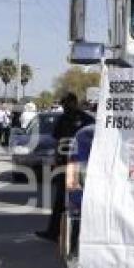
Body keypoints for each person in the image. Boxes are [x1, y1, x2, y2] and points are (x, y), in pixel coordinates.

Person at [36, 92, 95, 241]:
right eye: (63, 105)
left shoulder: (87, 120)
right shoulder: (64, 119)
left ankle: (78, 234)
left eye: (67, 104)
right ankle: (54, 232)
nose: (65, 107)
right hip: (66, 164)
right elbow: (57, 141)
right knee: (62, 200)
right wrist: (56, 158)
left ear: (74, 103)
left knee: (76, 200)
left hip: (79, 165)